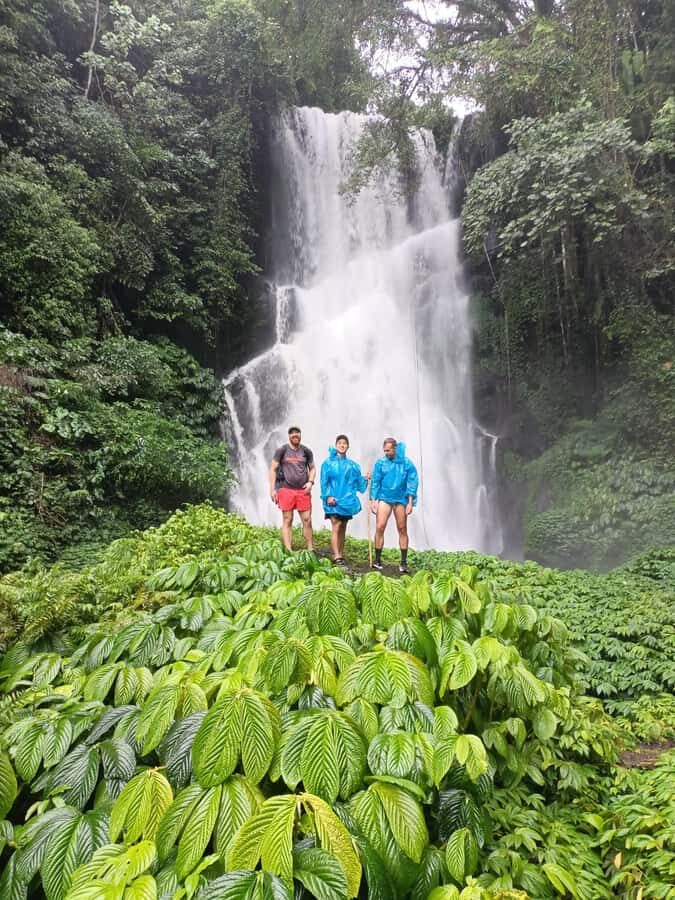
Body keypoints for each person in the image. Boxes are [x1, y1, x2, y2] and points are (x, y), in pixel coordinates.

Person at [370, 437, 419, 574]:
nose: (386, 453)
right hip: (385, 497)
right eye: (384, 450)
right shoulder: (380, 463)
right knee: (380, 526)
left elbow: (412, 482)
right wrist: (373, 500)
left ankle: (403, 562)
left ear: (395, 448)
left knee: (402, 528)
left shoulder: (406, 463)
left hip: (400, 498)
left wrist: (410, 502)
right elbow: (375, 482)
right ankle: (377, 560)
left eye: (388, 450)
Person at [320, 434, 370, 567]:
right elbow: (324, 482)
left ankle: (340, 554)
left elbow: (358, 485)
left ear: (348, 446)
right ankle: (336, 556)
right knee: (336, 524)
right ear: (336, 445)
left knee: (343, 526)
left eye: (344, 443)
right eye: (340, 443)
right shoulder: (328, 463)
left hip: (346, 501)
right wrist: (328, 496)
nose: (342, 445)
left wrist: (365, 479)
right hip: (333, 499)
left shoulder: (353, 466)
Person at [269, 426, 316, 551]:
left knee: (307, 519)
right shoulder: (281, 450)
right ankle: (288, 550)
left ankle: (310, 549)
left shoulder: (306, 451)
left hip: (303, 490)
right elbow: (273, 469)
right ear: (289, 435)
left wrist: (310, 482)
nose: (295, 435)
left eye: (297, 432)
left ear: (300, 434)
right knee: (287, 519)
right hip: (285, 489)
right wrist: (272, 489)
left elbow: (312, 468)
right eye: (292, 433)